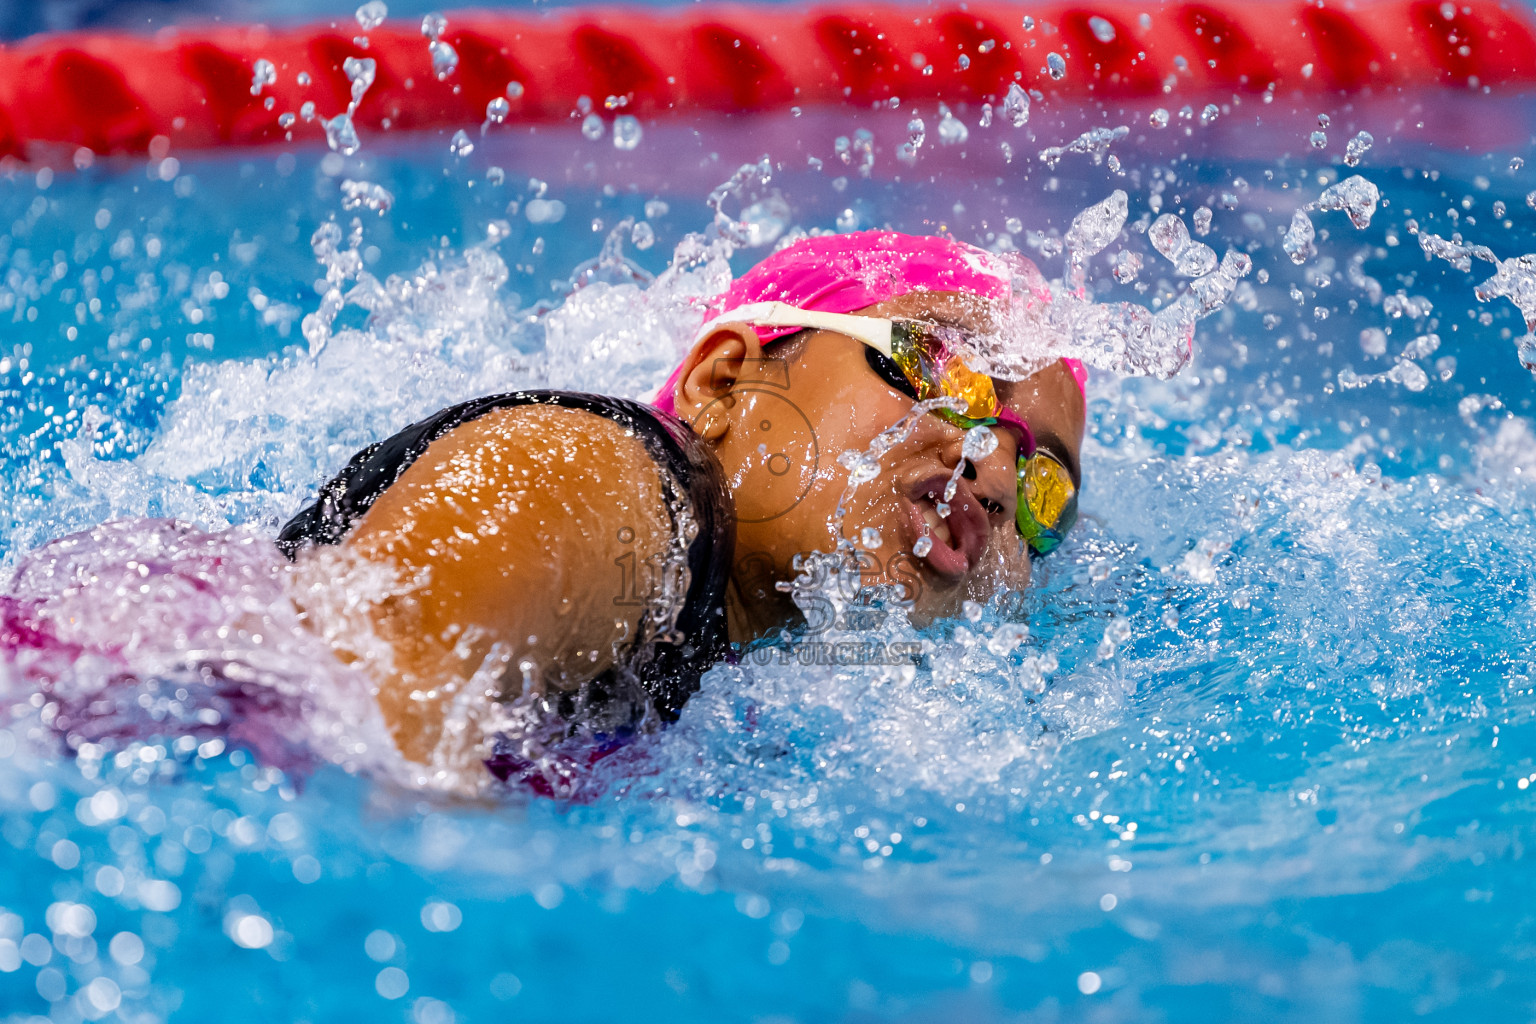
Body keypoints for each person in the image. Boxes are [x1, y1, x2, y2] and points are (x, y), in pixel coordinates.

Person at [275, 230, 1087, 781]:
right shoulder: (614, 479)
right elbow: (370, 665)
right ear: (724, 382)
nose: (994, 473)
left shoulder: (774, 688)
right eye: (943, 373)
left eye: (1042, 478)